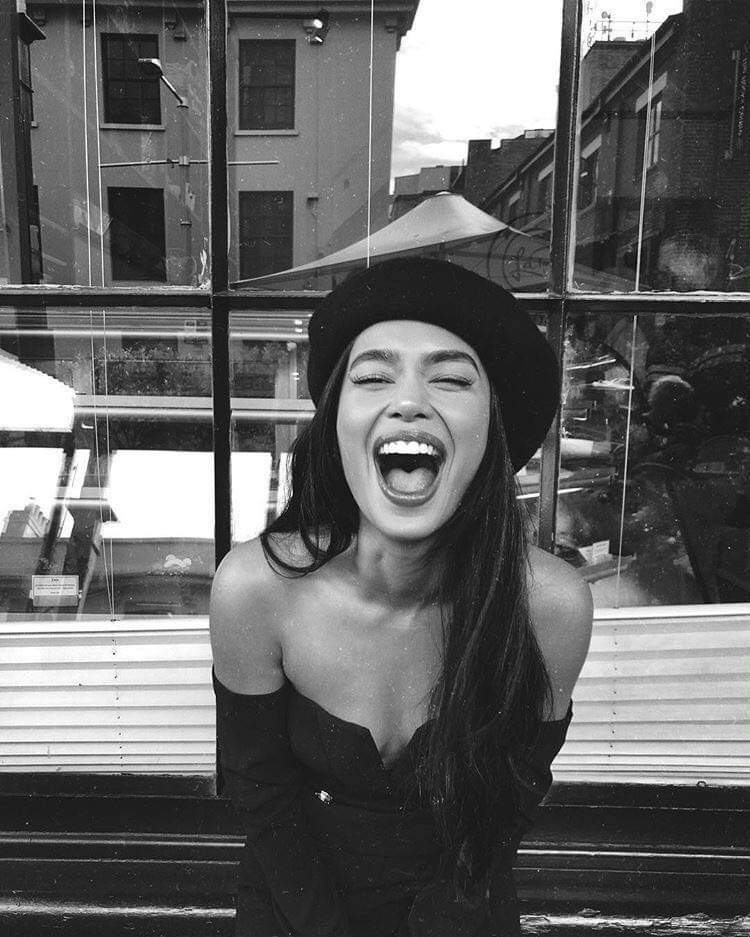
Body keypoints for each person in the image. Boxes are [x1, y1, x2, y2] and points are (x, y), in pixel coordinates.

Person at [210, 257, 593, 937]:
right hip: (293, 908)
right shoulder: (256, 589)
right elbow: (260, 798)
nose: (409, 400)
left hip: (460, 911)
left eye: (450, 378)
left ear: (491, 428)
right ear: (337, 421)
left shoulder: (551, 607)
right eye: (373, 377)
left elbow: (509, 803)